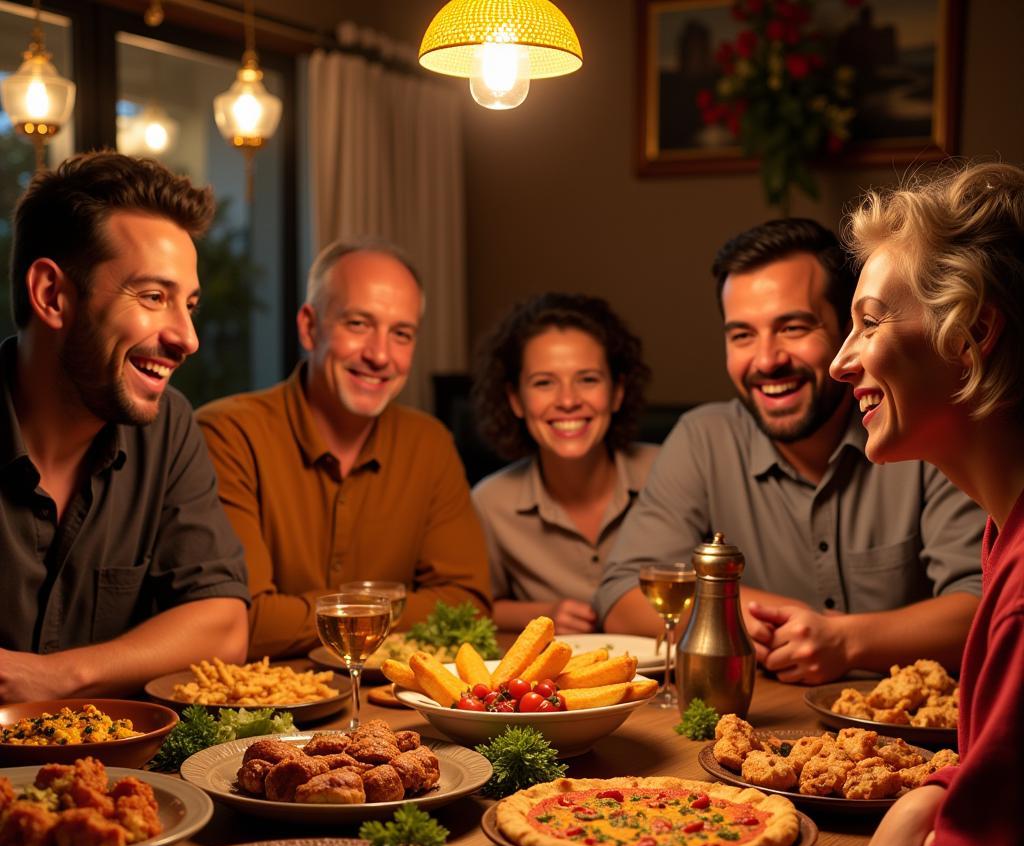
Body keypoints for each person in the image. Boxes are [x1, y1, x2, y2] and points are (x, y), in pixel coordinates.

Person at [597, 218, 985, 683]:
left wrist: (845, 641)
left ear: (851, 331)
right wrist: (735, 609)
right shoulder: (704, 438)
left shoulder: (919, 427)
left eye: (794, 327)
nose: (766, 360)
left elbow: (986, 601)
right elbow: (622, 595)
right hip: (763, 731)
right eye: (742, 335)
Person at [832, 162, 1024, 846]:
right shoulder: (1002, 528)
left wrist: (934, 837)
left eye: (868, 324)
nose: (840, 364)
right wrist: (935, 794)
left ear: (972, 336)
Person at [0, 151, 249, 702]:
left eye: (190, 305)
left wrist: (56, 676)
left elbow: (223, 622)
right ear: (51, 295)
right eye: (154, 297)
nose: (187, 338)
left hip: (118, 776)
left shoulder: (167, 426)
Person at [197, 241, 490, 660]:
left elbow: (467, 606)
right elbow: (248, 621)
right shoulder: (228, 434)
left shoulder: (430, 443)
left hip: (388, 705)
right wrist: (390, 605)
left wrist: (315, 614)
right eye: (358, 324)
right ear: (308, 326)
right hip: (264, 709)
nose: (379, 355)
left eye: (401, 334)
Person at [470, 293, 656, 633]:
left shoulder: (669, 473)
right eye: (544, 383)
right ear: (515, 400)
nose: (568, 400)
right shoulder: (490, 503)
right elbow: (476, 609)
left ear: (617, 392)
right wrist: (543, 613)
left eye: (588, 379)